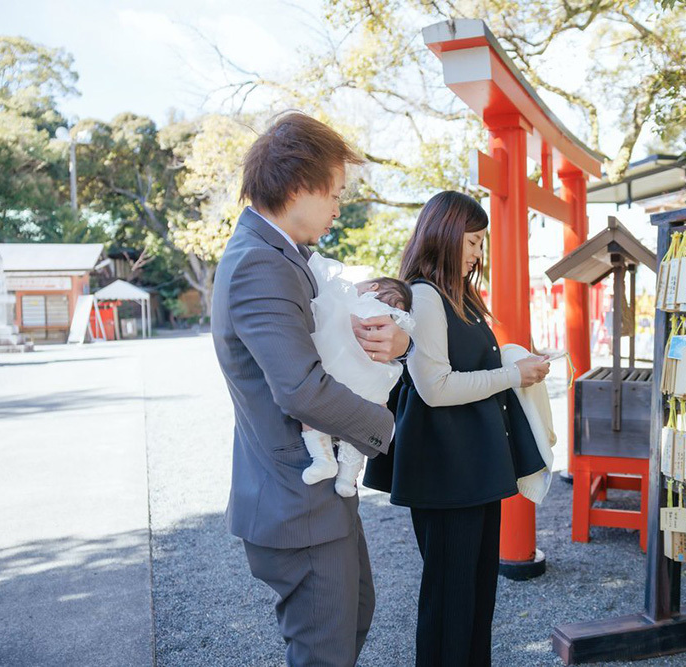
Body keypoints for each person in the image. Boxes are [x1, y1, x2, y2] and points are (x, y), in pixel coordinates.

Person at [211, 111, 409, 667]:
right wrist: (391, 427)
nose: (338, 208)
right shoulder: (260, 263)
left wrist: (385, 339)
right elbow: (300, 388)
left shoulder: (280, 254)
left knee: (353, 618)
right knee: (327, 649)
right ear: (299, 185)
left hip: (308, 495)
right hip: (293, 499)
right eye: (335, 193)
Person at [364, 190, 551, 667]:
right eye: (472, 241)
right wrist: (513, 374)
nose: (477, 253)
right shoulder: (425, 296)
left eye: (480, 243)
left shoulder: (459, 294)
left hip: (471, 467)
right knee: (451, 599)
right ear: (445, 236)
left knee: (475, 594)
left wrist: (512, 361)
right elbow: (436, 387)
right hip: (445, 471)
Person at [301, 255, 414, 497]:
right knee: (365, 420)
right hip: (372, 382)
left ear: (372, 287)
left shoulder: (352, 300)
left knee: (309, 412)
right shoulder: (391, 320)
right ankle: (347, 477)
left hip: (337, 369)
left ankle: (322, 459)